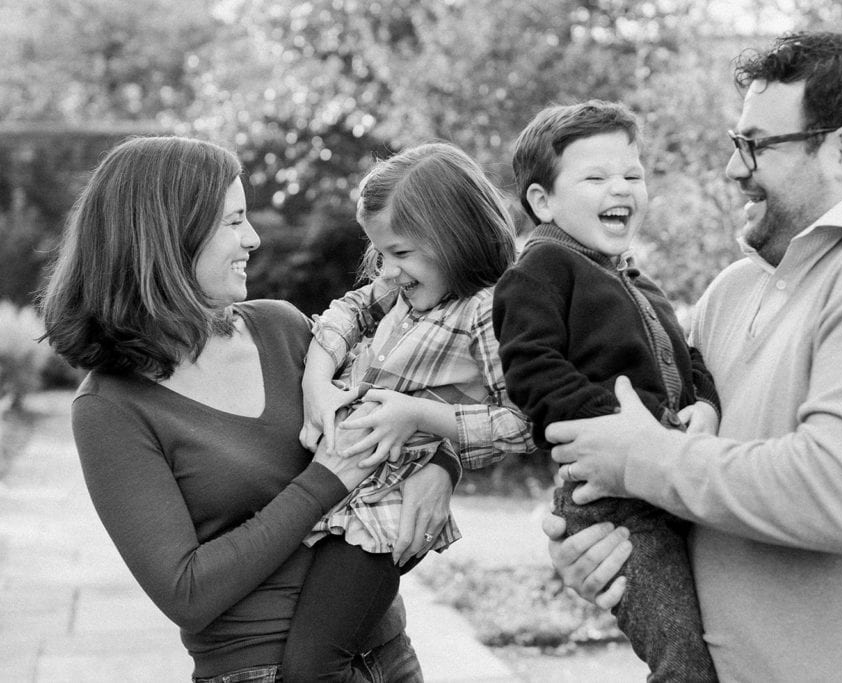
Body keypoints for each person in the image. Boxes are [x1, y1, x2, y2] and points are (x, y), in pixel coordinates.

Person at [542, 30, 842, 681]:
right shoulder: (737, 289)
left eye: (756, 145)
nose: (735, 168)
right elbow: (693, 474)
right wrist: (604, 542)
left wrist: (638, 459)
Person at [40, 135, 453, 682]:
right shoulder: (111, 407)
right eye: (234, 221)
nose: (253, 239)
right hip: (260, 670)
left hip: (386, 653)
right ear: (169, 238)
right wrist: (327, 478)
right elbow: (187, 592)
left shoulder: (281, 329)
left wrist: (442, 467)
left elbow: (395, 405)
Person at [283, 142, 534, 681]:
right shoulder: (403, 290)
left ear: (454, 237)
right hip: (339, 491)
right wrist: (315, 381)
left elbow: (521, 424)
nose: (388, 270)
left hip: (383, 513)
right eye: (381, 253)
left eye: (401, 252)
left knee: (311, 665)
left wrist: (418, 416)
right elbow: (346, 309)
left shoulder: (486, 311)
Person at [492, 100, 719, 681]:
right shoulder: (539, 271)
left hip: (670, 478)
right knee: (684, 660)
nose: (620, 187)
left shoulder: (637, 281)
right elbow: (531, 369)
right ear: (543, 201)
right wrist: (620, 428)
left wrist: (704, 407)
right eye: (595, 177)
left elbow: (686, 356)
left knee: (721, 641)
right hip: (611, 504)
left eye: (632, 175)